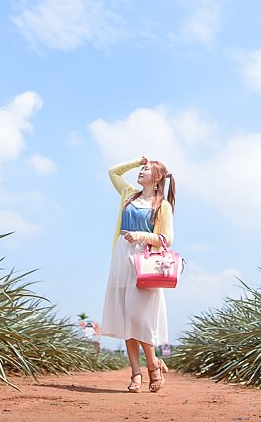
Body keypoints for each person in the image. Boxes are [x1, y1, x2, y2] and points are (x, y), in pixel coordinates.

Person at [100, 156, 176, 393]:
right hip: (122, 258)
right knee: (126, 316)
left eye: (146, 169)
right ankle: (135, 373)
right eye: (141, 169)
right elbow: (113, 172)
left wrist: (141, 236)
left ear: (158, 178)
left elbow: (167, 239)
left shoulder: (162, 205)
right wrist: (136, 161)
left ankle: (153, 364)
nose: (141, 171)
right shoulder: (129, 194)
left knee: (138, 315)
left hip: (145, 262)